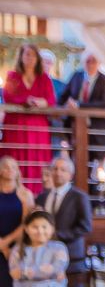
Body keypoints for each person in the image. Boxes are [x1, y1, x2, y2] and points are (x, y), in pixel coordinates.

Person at [37, 151, 92, 287]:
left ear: (70, 174)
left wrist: (57, 236)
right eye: (55, 169)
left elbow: (85, 226)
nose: (58, 173)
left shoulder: (79, 196)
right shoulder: (43, 196)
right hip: (45, 258)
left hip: (72, 260)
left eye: (63, 170)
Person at [2, 42, 56, 189]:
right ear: (21, 57)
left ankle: (37, 193)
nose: (30, 58)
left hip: (37, 129)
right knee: (16, 157)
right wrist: (25, 100)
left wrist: (40, 102)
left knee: (36, 160)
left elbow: (51, 100)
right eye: (27, 54)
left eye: (33, 55)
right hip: (16, 127)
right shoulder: (12, 76)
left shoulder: (44, 78)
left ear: (38, 58)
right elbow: (7, 96)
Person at [0, 156, 29, 287]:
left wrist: (6, 243)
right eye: (5, 166)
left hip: (14, 249)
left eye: (13, 166)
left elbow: (26, 224)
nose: (9, 169)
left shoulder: (24, 194)